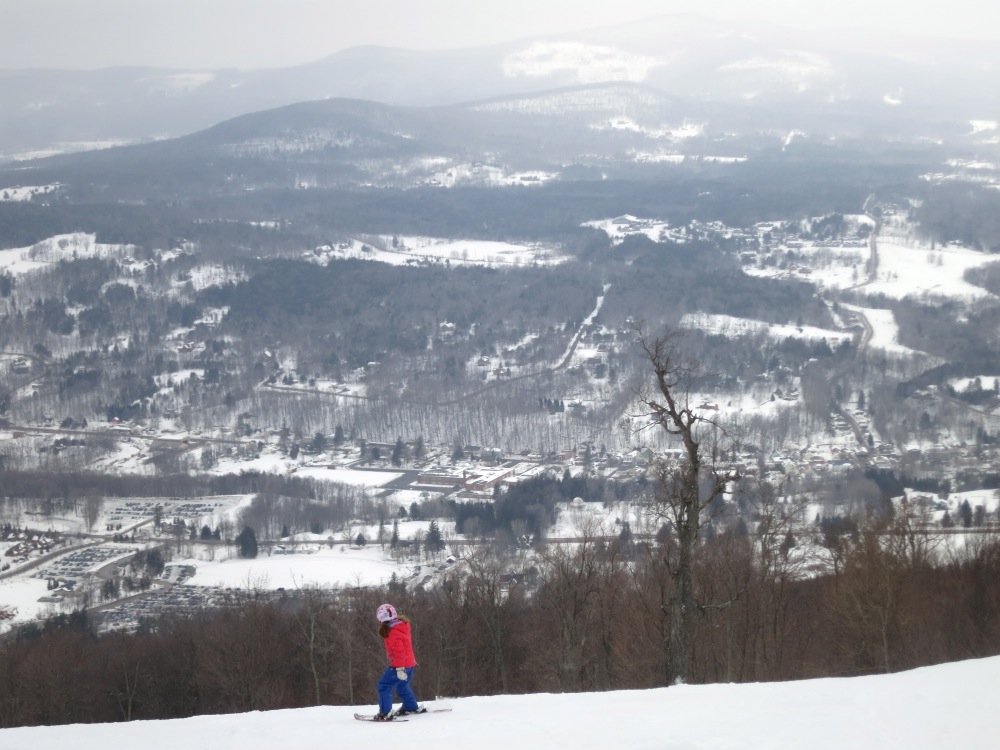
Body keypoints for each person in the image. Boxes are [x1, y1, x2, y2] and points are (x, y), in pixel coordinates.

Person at [373, 602, 423, 721]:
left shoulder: (393, 632)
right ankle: (410, 706)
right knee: (402, 686)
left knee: (383, 686)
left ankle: (385, 712)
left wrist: (399, 668)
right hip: (409, 663)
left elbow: (400, 652)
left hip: (400, 665)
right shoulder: (401, 627)